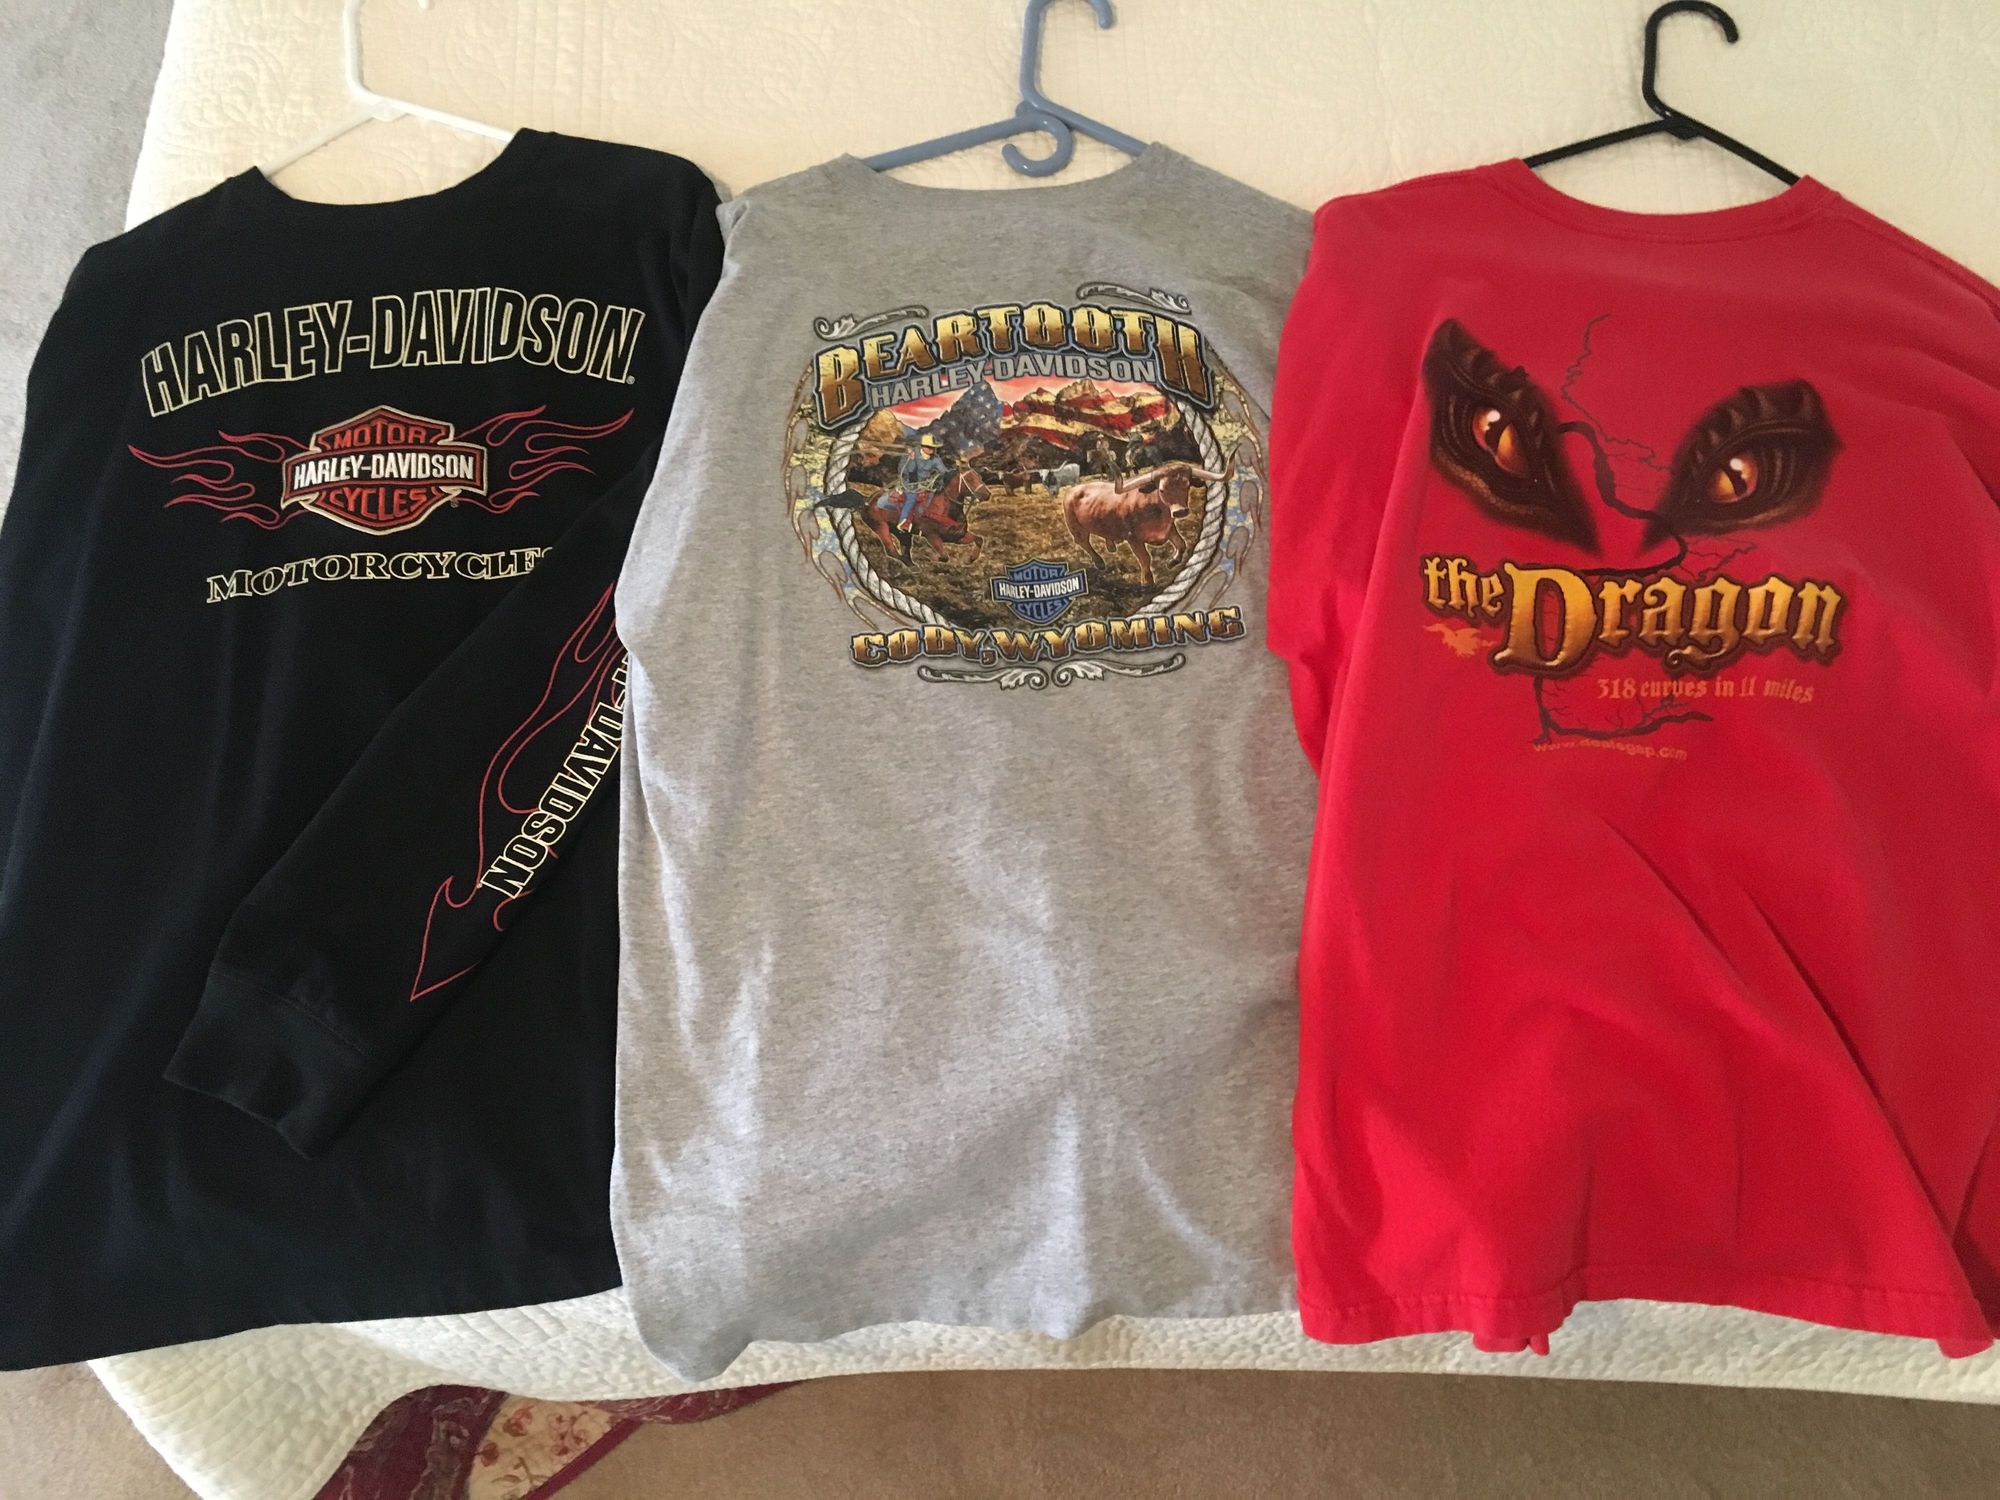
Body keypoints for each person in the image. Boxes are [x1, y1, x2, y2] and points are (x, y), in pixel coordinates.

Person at [896, 432, 951, 535]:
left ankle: (924, 523)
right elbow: (907, 471)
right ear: (923, 446)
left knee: (932, 500)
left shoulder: (935, 458)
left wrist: (950, 474)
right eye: (930, 447)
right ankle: (903, 522)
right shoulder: (912, 454)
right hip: (910, 484)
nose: (932, 450)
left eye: (933, 447)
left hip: (925, 484)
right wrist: (912, 460)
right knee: (912, 498)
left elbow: (943, 471)